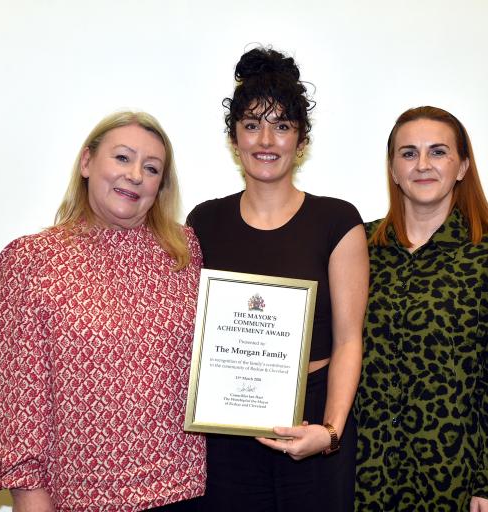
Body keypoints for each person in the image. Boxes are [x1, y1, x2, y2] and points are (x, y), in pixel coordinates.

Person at [0, 111, 205, 511]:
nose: (135, 175)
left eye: (151, 168)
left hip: (185, 492)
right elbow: (12, 402)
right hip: (78, 499)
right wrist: (28, 494)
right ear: (87, 162)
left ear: (160, 186)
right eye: (122, 158)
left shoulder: (184, 253)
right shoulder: (30, 260)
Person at [186, 47, 368, 511]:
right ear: (234, 138)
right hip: (227, 428)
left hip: (315, 424)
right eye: (251, 124)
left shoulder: (337, 221)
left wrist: (330, 432)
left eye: (282, 126)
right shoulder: (203, 223)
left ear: (301, 141)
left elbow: (349, 340)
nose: (266, 139)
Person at [355, 106, 488, 511]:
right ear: (393, 169)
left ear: (462, 166)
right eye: (408, 153)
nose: (422, 165)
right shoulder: (360, 247)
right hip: (363, 473)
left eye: (438, 152)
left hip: (452, 476)